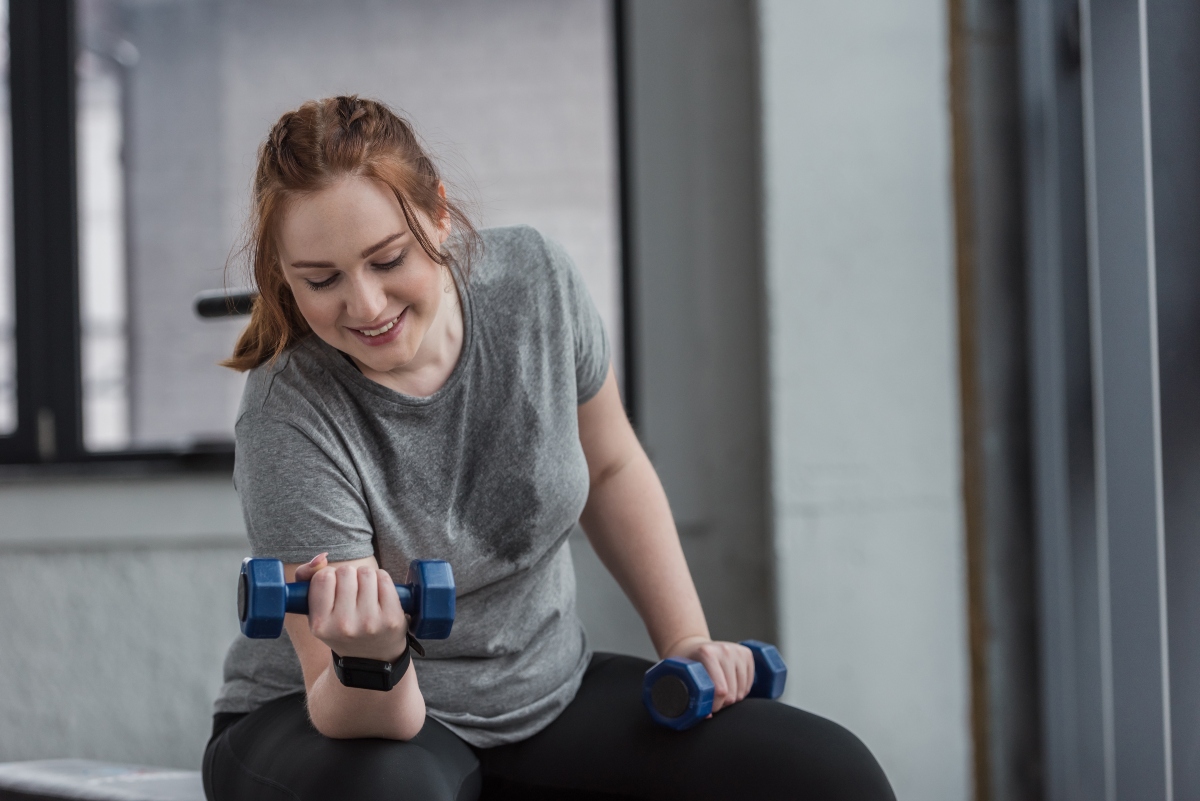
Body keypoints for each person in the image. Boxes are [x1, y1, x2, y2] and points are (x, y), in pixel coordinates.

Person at [202, 95, 895, 801]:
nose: (367, 304)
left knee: (831, 775)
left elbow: (613, 463)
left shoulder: (534, 283)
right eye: (321, 280)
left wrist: (687, 640)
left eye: (388, 259)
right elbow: (354, 704)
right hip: (344, 721)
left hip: (543, 694)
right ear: (283, 276)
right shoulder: (286, 414)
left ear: (438, 214)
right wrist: (373, 655)